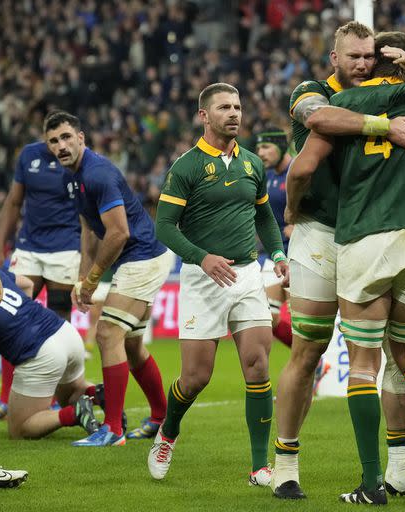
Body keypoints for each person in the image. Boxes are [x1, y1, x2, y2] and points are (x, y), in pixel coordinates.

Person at [273, 21, 405, 501]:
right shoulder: (312, 92)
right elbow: (318, 120)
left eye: (367, 57)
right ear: (333, 59)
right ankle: (285, 463)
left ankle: (401, 464)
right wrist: (385, 127)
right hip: (321, 232)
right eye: (352, 57)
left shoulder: (392, 94)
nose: (361, 64)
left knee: (399, 355)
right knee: (309, 350)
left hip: (368, 234)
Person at [148, 83, 288, 488]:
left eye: (238, 106)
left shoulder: (251, 165)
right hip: (201, 278)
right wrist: (201, 257)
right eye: (224, 107)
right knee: (195, 378)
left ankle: (260, 466)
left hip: (247, 274)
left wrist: (277, 255)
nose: (234, 113)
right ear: (203, 116)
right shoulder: (186, 167)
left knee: (258, 365)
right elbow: (164, 227)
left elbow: (264, 217)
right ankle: (168, 433)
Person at [44, 111, 172, 446]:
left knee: (107, 333)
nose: (61, 145)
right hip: (140, 256)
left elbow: (117, 233)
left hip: (142, 255)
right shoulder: (71, 178)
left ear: (81, 138)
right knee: (130, 344)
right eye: (54, 141)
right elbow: (89, 228)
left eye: (67, 137)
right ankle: (161, 418)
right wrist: (82, 278)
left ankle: (113, 429)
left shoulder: (97, 173)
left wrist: (93, 279)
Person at [0, 140, 82, 417]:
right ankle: (9, 395)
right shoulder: (29, 156)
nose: (58, 143)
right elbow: (13, 200)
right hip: (32, 249)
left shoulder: (81, 166)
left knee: (55, 320)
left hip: (65, 250)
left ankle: (57, 401)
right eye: (52, 137)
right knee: (22, 316)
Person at [0, 268, 99, 440]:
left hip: (41, 353)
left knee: (19, 430)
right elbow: (27, 284)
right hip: (66, 332)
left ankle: (76, 413)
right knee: (70, 396)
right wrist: (22, 319)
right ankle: (97, 393)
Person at [254, 129, 293, 348]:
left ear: (281, 147)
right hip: (275, 255)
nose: (261, 153)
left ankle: (315, 362)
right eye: (259, 148)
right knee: (269, 318)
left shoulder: (298, 170)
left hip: (299, 254)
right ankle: (314, 364)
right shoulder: (266, 176)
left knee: (307, 323)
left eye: (267, 147)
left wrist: (303, 225)